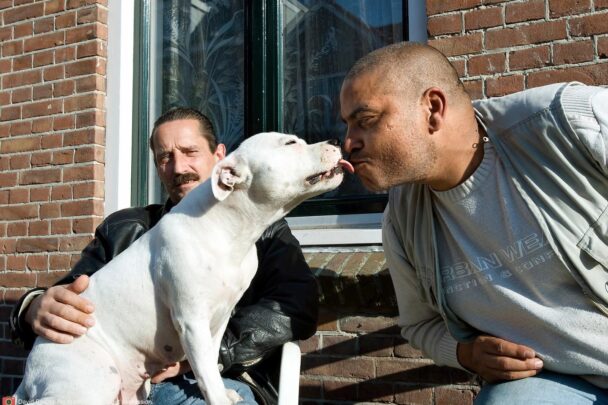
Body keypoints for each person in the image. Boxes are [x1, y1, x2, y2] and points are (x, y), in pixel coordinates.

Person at [340, 42, 608, 404]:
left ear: (432, 109)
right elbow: (420, 325)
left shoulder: (568, 124)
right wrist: (466, 353)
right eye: (347, 126)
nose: (348, 144)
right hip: (563, 383)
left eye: (366, 120)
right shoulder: (402, 220)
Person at [10, 107, 319, 404]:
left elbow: (298, 305)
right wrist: (33, 306)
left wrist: (205, 356)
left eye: (190, 152)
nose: (179, 168)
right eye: (165, 158)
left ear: (221, 158)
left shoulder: (264, 231)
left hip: (213, 380)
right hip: (101, 371)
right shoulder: (124, 228)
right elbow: (72, 292)